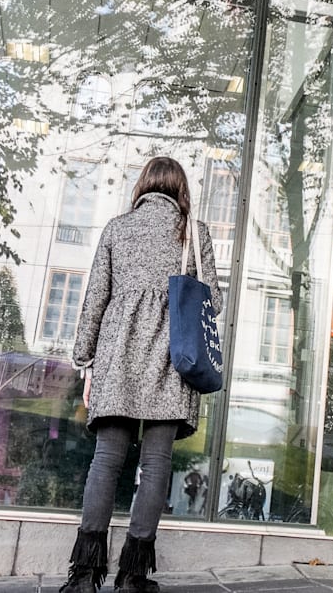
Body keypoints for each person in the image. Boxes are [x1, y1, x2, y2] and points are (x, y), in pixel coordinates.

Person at [60, 157, 223, 593]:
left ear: (143, 186)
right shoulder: (194, 233)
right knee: (155, 465)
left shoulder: (117, 229)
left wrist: (85, 360)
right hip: (171, 361)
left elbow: (95, 299)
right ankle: (132, 576)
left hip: (117, 357)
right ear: (180, 190)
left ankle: (85, 575)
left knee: (106, 460)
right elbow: (213, 304)